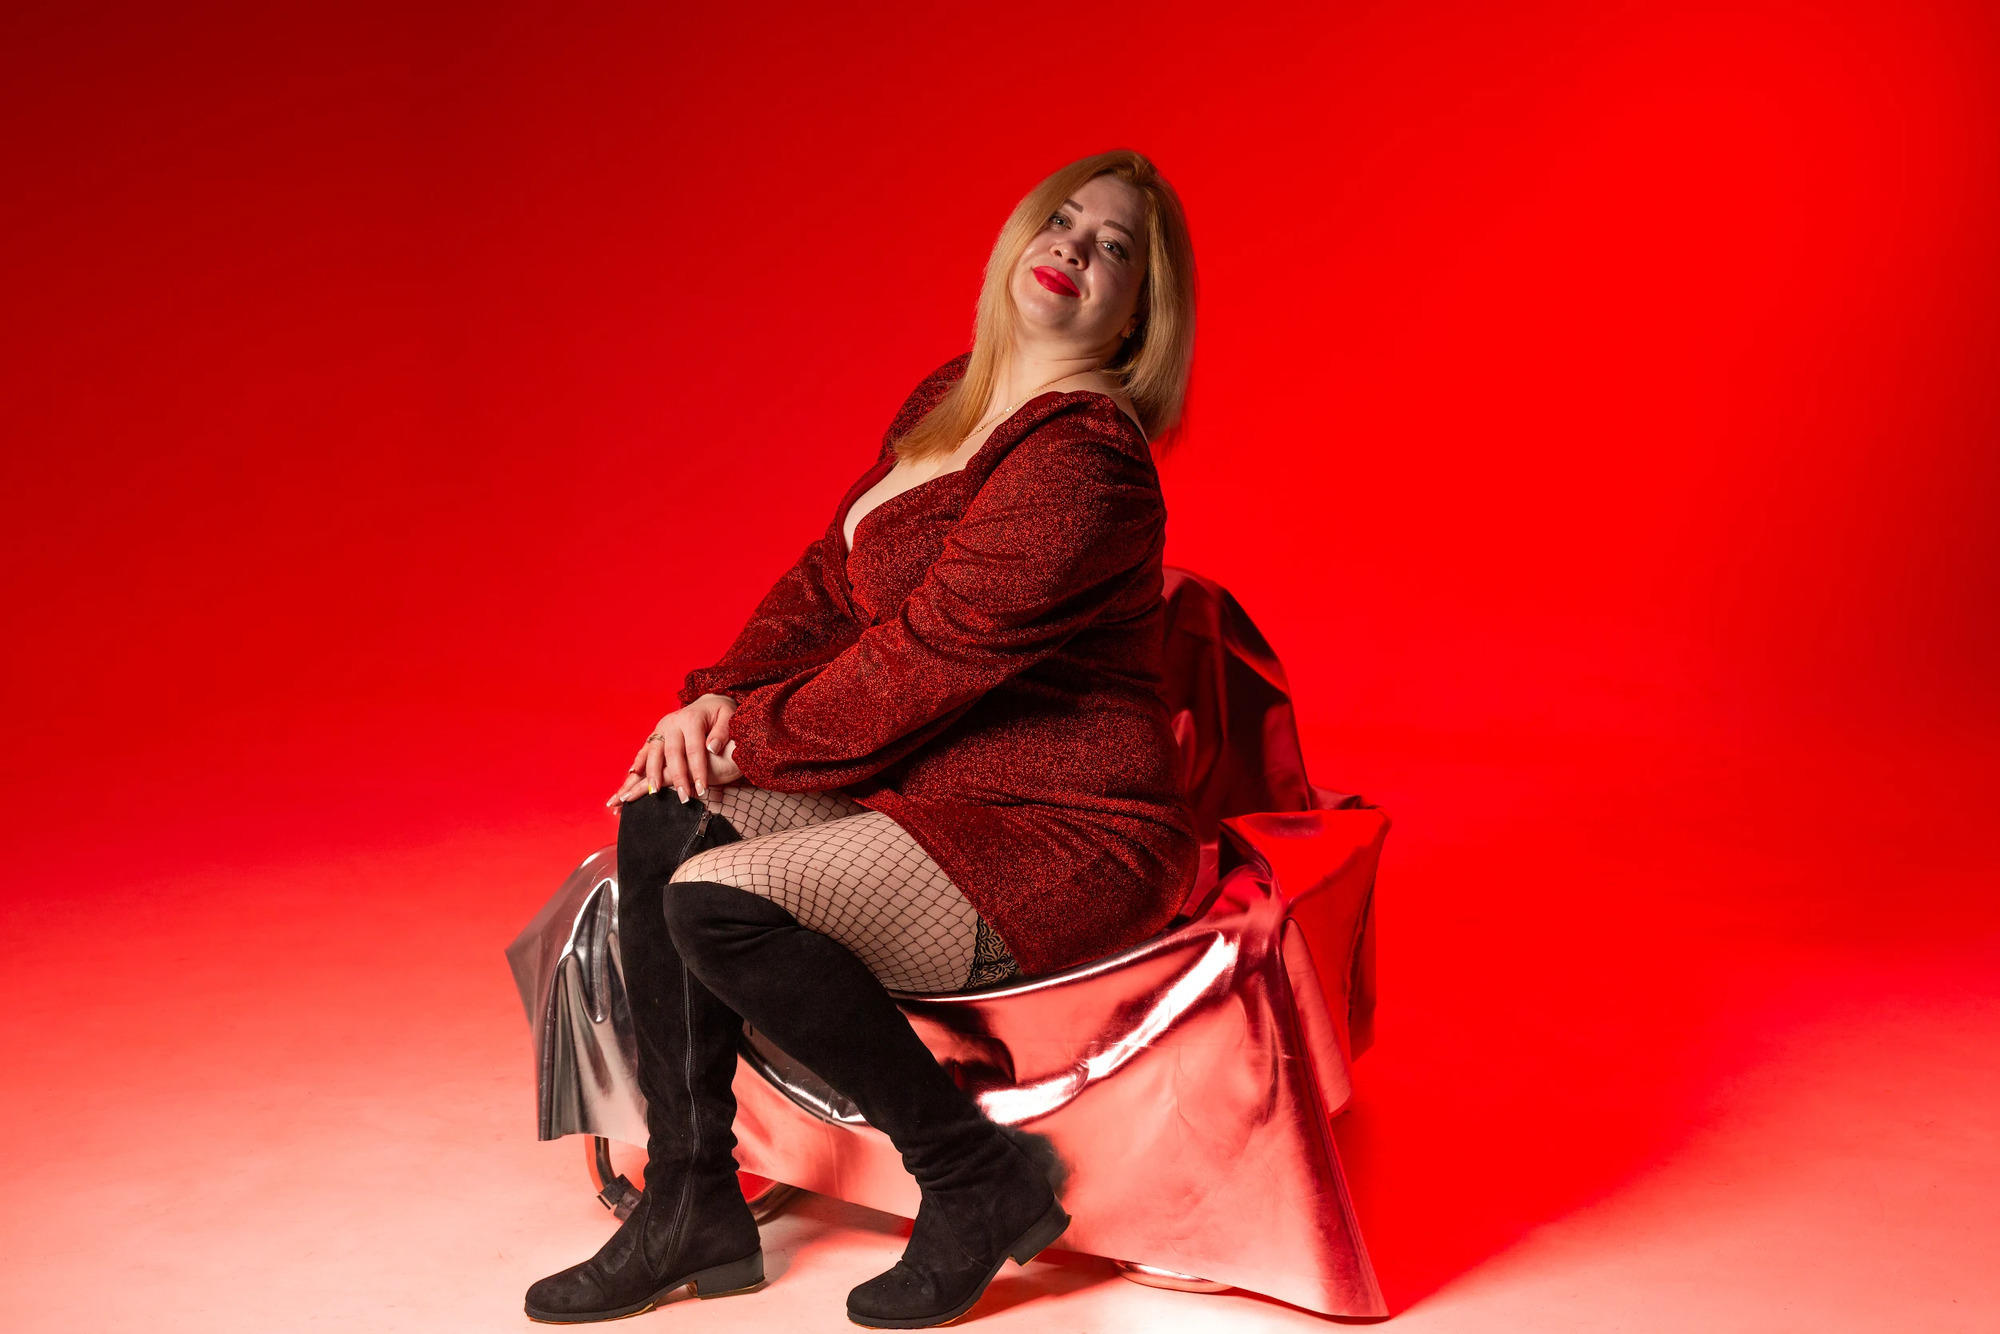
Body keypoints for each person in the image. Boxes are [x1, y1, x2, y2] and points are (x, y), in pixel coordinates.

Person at [525, 148, 1200, 1328]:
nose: (1074, 249)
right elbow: (828, 586)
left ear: (1138, 315)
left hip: (1051, 827)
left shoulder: (1084, 460)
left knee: (713, 901)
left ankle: (973, 1176)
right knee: (664, 808)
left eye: (1114, 250)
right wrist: (713, 700)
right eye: (1061, 220)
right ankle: (689, 1200)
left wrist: (745, 740)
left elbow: (931, 653)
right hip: (926, 783)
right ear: (1017, 237)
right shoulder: (953, 396)